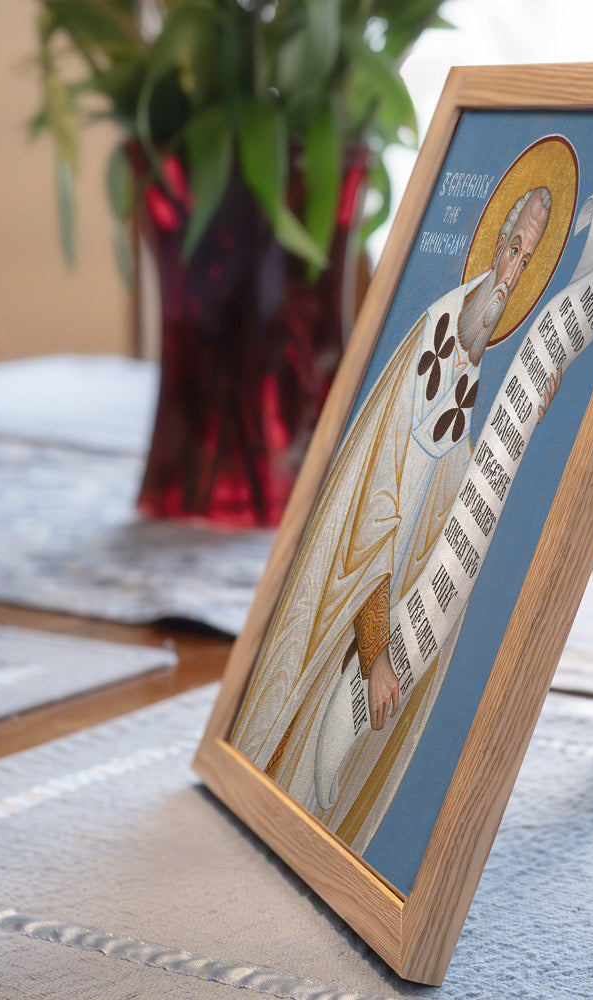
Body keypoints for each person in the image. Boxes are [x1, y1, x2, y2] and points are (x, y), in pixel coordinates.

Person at [229, 187, 552, 849]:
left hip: (376, 652)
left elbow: (449, 509)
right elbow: (369, 542)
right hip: (339, 654)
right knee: (299, 771)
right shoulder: (427, 365)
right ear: (496, 243)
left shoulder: (459, 395)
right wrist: (377, 657)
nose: (515, 272)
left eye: (529, 256)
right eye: (513, 247)